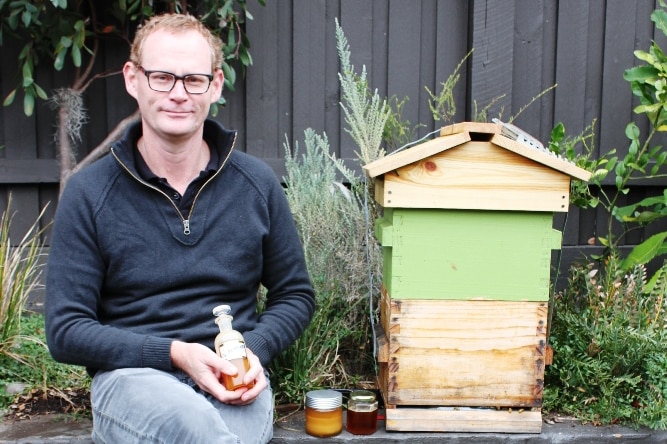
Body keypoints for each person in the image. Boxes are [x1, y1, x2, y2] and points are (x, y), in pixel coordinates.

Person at [45, 13, 315, 444]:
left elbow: (296, 294)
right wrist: (174, 353)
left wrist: (252, 351)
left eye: (193, 79)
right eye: (162, 77)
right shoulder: (89, 193)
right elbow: (65, 330)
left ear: (215, 85)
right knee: (198, 431)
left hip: (233, 379)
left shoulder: (255, 184)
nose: (177, 94)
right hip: (134, 380)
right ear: (133, 79)